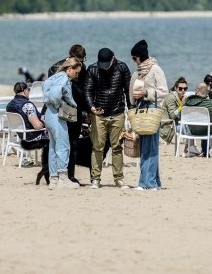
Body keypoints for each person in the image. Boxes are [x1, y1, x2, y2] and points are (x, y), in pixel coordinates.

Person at [84, 47, 132, 189]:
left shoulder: (122, 68)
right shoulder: (93, 69)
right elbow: (88, 90)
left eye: (107, 64)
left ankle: (118, 178)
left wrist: (131, 112)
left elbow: (128, 90)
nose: (104, 68)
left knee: (117, 147)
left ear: (113, 58)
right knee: (97, 147)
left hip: (118, 112)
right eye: (102, 65)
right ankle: (96, 179)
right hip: (99, 114)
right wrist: (91, 107)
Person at [128, 40, 168, 191]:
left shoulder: (156, 69)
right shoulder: (137, 72)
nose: (133, 61)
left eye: (134, 58)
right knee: (145, 147)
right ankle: (153, 182)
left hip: (152, 110)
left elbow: (165, 91)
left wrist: (147, 93)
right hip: (141, 110)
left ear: (139, 57)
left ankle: (147, 183)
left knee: (150, 147)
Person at [47, 44, 89, 184]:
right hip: (60, 110)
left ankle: (69, 174)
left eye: (83, 61)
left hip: (75, 111)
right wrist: (60, 105)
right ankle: (58, 175)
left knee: (73, 143)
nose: (81, 64)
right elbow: (52, 91)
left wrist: (85, 111)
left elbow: (84, 90)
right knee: (59, 144)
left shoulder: (83, 69)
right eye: (79, 61)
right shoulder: (56, 68)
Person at [42, 57, 82, 189]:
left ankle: (53, 179)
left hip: (49, 114)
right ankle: (63, 178)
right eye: (76, 72)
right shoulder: (63, 78)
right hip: (56, 115)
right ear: (70, 69)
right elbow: (55, 95)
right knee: (63, 145)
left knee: (53, 147)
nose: (77, 75)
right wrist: (62, 104)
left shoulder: (55, 77)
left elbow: (45, 86)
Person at [6, 81, 47, 167]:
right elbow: (37, 126)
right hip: (32, 136)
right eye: (28, 90)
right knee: (53, 135)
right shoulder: (27, 105)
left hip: (21, 135)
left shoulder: (9, 105)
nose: (29, 92)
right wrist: (45, 124)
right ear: (25, 91)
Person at [183, 82, 212, 157]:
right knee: (208, 126)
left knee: (205, 126)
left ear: (196, 91)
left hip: (193, 131)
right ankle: (206, 151)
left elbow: (182, 115)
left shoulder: (188, 103)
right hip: (209, 131)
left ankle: (204, 151)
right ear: (207, 92)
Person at [160, 77, 189, 144]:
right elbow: (173, 115)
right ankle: (188, 149)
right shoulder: (171, 98)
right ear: (175, 88)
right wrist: (182, 105)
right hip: (169, 127)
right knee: (191, 128)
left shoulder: (180, 97)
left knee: (192, 125)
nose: (183, 90)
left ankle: (190, 148)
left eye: (185, 89)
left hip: (176, 123)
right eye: (180, 88)